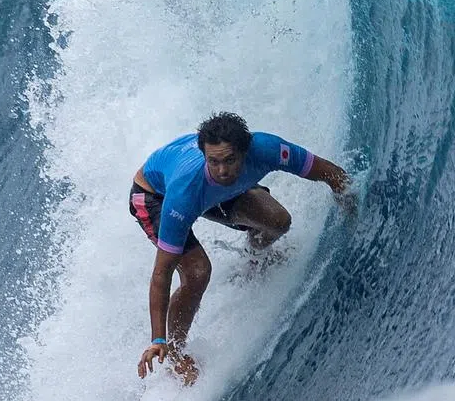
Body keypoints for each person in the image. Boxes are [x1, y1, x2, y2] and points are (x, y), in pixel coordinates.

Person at [128, 112, 354, 385]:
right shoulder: (184, 193)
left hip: (211, 191)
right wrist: (158, 339)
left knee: (278, 221)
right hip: (155, 196)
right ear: (204, 156)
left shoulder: (267, 149)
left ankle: (256, 259)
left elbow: (328, 172)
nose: (222, 170)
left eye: (229, 160)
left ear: (245, 152)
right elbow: (162, 273)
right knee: (197, 272)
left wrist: (352, 203)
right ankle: (175, 352)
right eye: (213, 161)